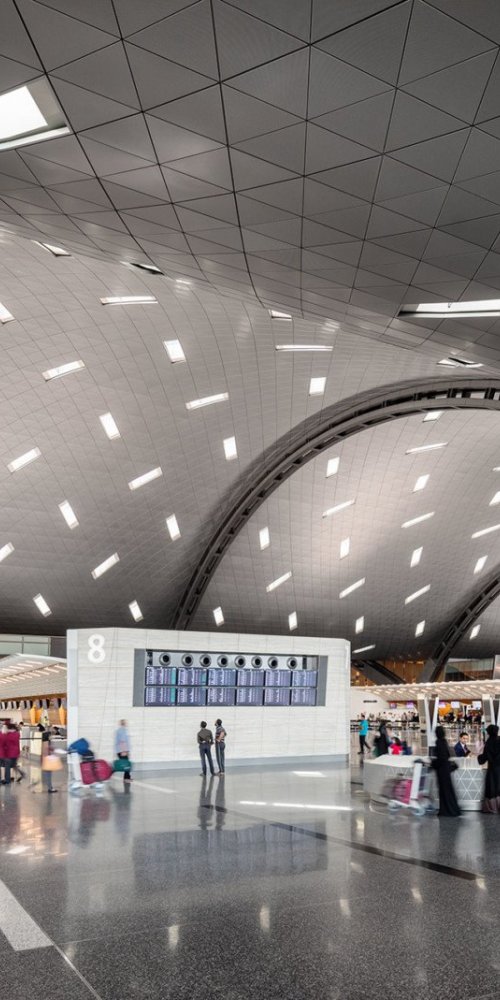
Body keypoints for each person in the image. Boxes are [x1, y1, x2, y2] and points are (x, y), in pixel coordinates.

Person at [431, 725, 460, 817]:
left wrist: (433, 764)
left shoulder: (439, 742)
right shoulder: (444, 742)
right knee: (448, 790)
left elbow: (441, 758)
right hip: (446, 770)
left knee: (444, 791)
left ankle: (445, 810)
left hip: (442, 771)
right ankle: (451, 809)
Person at [478, 724, 500, 813]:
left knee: (491, 788)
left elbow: (484, 757)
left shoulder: (489, 742)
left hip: (492, 769)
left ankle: (493, 808)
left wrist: (479, 757)